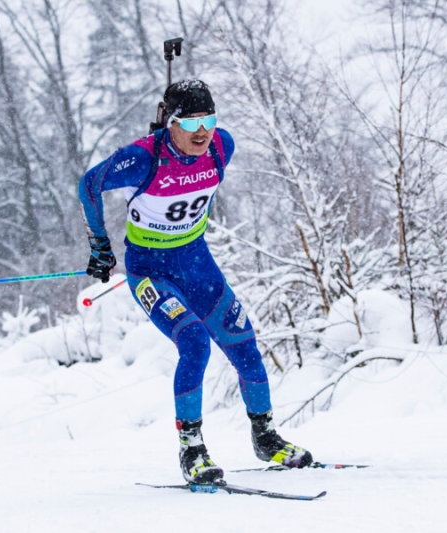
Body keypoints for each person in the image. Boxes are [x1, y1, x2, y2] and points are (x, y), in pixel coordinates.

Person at [78, 79, 312, 483]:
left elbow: (199, 153)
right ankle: (192, 449)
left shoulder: (223, 147)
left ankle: (265, 436)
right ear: (170, 122)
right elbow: (89, 185)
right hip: (151, 271)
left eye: (209, 119)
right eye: (190, 123)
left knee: (243, 341)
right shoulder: (140, 159)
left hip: (196, 262)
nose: (202, 131)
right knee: (194, 342)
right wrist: (100, 244)